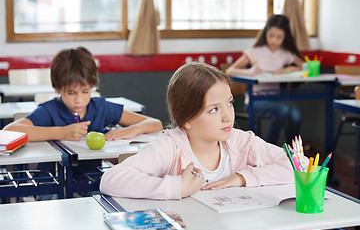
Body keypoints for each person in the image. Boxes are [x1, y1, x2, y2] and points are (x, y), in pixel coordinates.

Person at [100, 62, 294, 200]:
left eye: (230, 103)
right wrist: (177, 187)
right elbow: (110, 180)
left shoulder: (241, 142)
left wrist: (244, 177)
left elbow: (299, 168)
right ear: (187, 119)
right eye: (214, 109)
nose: (228, 117)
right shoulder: (172, 147)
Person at [4, 46, 163, 182]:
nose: (79, 99)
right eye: (71, 93)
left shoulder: (101, 108)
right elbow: (10, 131)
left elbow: (156, 123)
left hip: (92, 181)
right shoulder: (50, 110)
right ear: (58, 89)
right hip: (51, 184)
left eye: (86, 91)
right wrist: (61, 132)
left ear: (93, 86)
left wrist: (132, 129)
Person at [225, 14, 305, 145]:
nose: (274, 40)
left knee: (296, 114)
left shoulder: (285, 53)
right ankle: (268, 149)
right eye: (271, 35)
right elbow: (229, 71)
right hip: (255, 100)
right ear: (265, 33)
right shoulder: (254, 52)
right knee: (283, 110)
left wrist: (287, 69)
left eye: (279, 37)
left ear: (285, 37)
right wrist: (249, 72)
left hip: (277, 100)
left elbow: (305, 66)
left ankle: (292, 153)